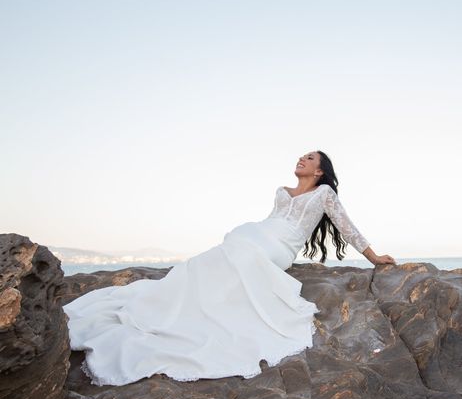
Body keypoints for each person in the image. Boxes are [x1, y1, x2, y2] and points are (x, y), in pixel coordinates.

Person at [63, 150, 396, 386]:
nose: (302, 159)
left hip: (279, 247)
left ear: (320, 171)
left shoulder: (324, 194)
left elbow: (346, 226)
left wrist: (374, 257)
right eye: (302, 156)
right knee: (218, 257)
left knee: (246, 255)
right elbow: (271, 220)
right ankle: (182, 303)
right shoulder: (281, 192)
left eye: (309, 158)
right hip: (259, 233)